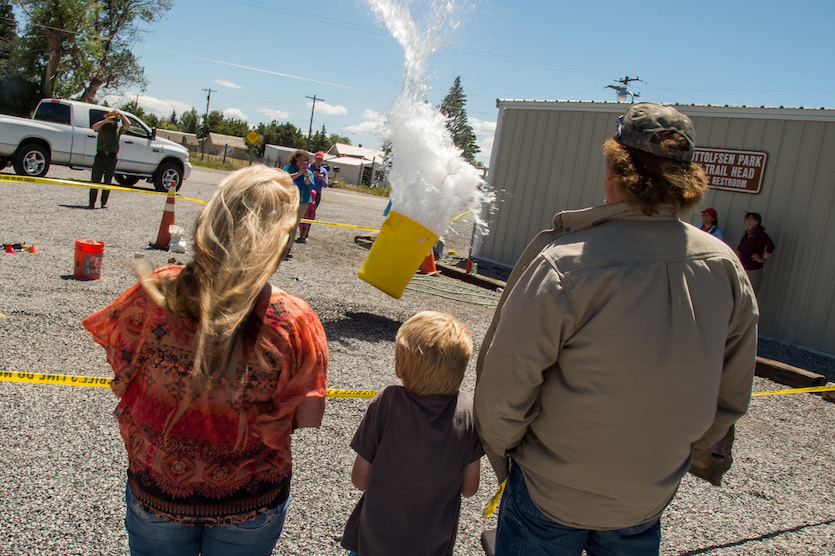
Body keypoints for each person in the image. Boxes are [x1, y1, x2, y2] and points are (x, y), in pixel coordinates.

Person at [474, 102, 759, 555]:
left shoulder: (567, 264)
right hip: (645, 497)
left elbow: (502, 394)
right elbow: (731, 395)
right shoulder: (725, 268)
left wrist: (517, 457)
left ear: (614, 170)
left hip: (550, 492)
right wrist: (678, 456)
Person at [83, 165, 329, 556]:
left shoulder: (158, 289)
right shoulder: (295, 320)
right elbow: (310, 416)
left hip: (158, 486)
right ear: (279, 243)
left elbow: (122, 360)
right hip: (248, 500)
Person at [341, 311, 483, 556]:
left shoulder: (387, 401)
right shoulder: (468, 409)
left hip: (373, 540)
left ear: (399, 368)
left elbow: (360, 479)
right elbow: (470, 487)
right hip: (433, 545)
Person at [89, 109, 129, 208]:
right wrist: (106, 121)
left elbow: (128, 125)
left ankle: (103, 202)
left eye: (115, 119)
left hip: (112, 157)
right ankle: (92, 202)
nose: (113, 120)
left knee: (108, 180)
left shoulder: (118, 129)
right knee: (95, 179)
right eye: (112, 118)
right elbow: (94, 127)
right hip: (101, 155)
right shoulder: (102, 126)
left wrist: (122, 116)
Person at [736, 212, 775, 295]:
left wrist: (763, 259)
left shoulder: (760, 233)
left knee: (751, 293)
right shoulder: (747, 234)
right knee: (740, 292)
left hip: (753, 269)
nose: (747, 221)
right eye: (746, 219)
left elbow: (771, 245)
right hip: (743, 268)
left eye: (750, 219)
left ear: (757, 221)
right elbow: (739, 249)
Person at [283, 150, 314, 254]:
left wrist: (306, 175)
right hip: (288, 200)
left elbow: (311, 186)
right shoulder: (288, 169)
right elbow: (285, 180)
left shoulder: (308, 173)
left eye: (305, 161)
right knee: (283, 224)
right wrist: (298, 173)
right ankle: (279, 246)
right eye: (301, 160)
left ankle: (287, 249)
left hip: (302, 202)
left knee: (294, 226)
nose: (302, 162)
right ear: (295, 159)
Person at [299, 151, 328, 241]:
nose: (318, 161)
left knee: (311, 214)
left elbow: (326, 185)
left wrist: (322, 179)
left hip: (317, 195)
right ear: (314, 158)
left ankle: (305, 235)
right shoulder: (308, 168)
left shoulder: (324, 171)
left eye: (320, 159)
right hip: (307, 191)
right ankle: (300, 234)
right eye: (317, 158)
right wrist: (313, 176)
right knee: (303, 212)